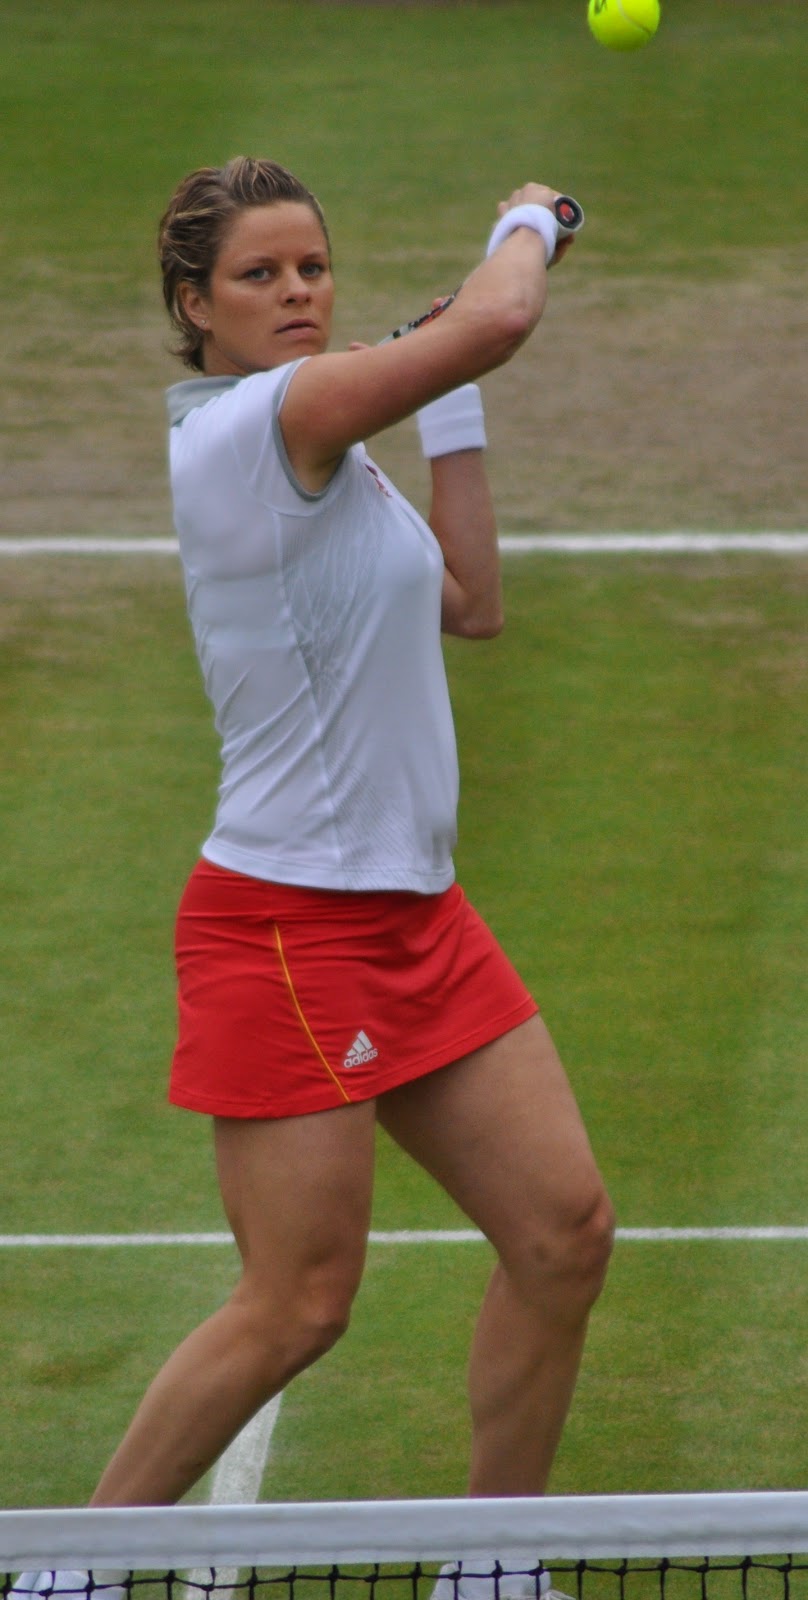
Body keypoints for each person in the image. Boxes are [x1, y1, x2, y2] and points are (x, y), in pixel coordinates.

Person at [16, 157, 614, 1599]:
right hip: (288, 927)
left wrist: (449, 400)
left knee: (563, 1234)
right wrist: (526, 229)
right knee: (300, 1301)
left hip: (417, 913)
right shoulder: (259, 425)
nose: (296, 293)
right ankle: (71, 1571)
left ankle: (493, 1565)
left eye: (311, 268)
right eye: (259, 275)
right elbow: (501, 317)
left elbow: (472, 602)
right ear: (194, 307)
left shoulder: (332, 451)